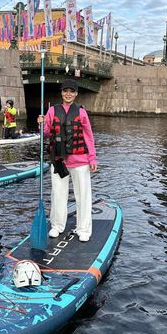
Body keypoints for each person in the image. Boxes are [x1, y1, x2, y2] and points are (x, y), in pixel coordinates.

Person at [38, 79, 98, 242]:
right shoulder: (52, 111)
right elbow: (46, 134)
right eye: (65, 91)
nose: (68, 94)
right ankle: (57, 225)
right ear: (61, 93)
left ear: (76, 94)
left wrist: (92, 158)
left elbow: (88, 136)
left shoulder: (81, 112)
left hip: (80, 161)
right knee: (58, 194)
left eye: (72, 91)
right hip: (58, 160)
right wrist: (41, 125)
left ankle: (83, 228)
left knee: (83, 195)